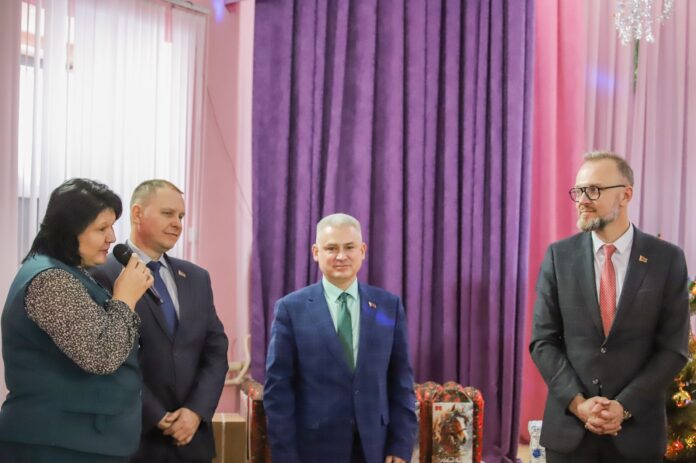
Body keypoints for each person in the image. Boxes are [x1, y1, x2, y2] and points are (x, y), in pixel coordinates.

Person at [530, 152, 690, 462]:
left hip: (637, 437)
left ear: (626, 194)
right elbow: (543, 342)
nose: (582, 200)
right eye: (578, 191)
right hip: (569, 434)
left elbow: (673, 348)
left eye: (594, 190)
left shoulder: (667, 259)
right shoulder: (558, 257)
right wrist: (579, 404)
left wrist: (623, 406)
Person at [0, 178, 153, 463]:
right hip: (56, 445)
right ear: (69, 230)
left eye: (112, 227)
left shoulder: (70, 271)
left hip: (80, 442)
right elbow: (100, 355)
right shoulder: (51, 280)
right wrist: (125, 298)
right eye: (101, 228)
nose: (112, 238)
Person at [91, 179, 229, 463]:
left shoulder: (197, 277)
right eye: (168, 213)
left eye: (181, 216)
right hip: (133, 441)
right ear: (137, 214)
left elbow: (216, 351)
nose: (177, 224)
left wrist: (196, 411)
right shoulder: (102, 275)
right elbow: (109, 360)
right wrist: (156, 414)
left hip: (192, 441)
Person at [264, 213, 417, 463]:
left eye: (349, 247)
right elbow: (278, 390)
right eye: (331, 248)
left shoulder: (388, 307)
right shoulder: (291, 309)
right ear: (316, 252)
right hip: (314, 450)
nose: (341, 256)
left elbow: (401, 383)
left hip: (376, 449)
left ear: (362, 251)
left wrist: (400, 446)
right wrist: (286, 457)